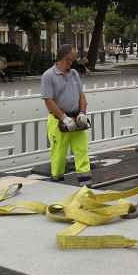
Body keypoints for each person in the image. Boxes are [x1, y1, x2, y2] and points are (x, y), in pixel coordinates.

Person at [41, 44, 91, 187]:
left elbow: (81, 95)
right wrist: (64, 118)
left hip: (76, 118)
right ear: (67, 59)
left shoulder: (74, 74)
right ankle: (57, 185)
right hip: (58, 121)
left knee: (82, 152)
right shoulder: (48, 76)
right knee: (59, 155)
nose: (76, 62)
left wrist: (82, 113)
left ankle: (86, 187)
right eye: (74, 59)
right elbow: (48, 101)